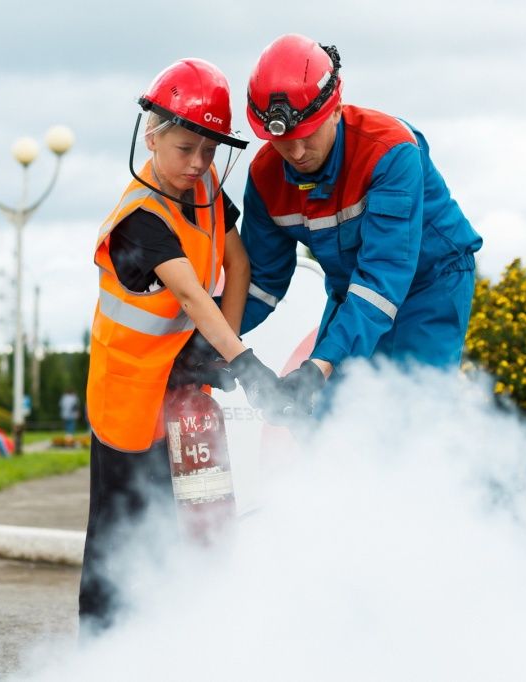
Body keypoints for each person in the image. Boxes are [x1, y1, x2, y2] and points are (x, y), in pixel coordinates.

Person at [81, 57, 286, 635]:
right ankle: (98, 656)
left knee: (185, 526)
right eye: (185, 148)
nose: (198, 163)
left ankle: (170, 648)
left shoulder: (206, 188)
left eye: (209, 150)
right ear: (152, 136)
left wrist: (221, 349)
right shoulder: (139, 218)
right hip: (128, 397)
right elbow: (193, 296)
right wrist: (245, 364)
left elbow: (239, 265)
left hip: (176, 385)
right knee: (120, 539)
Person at [239, 34, 484, 415]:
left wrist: (317, 369)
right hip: (352, 288)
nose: (297, 153)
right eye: (283, 140)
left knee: (411, 419)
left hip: (429, 283)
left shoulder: (390, 152)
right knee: (325, 419)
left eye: (307, 135)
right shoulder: (264, 177)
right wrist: (207, 344)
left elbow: (383, 276)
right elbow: (261, 283)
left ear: (336, 109)